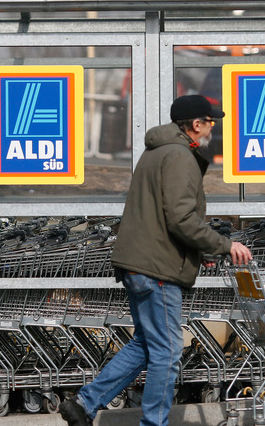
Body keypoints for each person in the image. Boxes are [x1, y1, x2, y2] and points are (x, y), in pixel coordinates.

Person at [58, 95, 253, 426]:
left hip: (140, 264)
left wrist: (199, 251)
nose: (211, 129)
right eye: (210, 122)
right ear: (195, 125)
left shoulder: (156, 153)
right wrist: (223, 245)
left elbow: (160, 218)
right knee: (167, 353)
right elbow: (180, 218)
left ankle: (83, 404)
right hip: (157, 269)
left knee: (146, 345)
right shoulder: (180, 157)